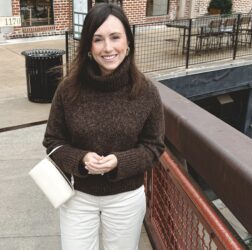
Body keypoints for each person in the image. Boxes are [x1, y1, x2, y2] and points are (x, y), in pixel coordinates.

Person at [43, 3, 165, 250]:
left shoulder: (146, 92)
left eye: (115, 37)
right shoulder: (68, 90)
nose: (108, 48)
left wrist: (120, 161)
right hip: (77, 196)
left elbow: (154, 147)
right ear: (88, 46)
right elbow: (52, 142)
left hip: (126, 198)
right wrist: (81, 159)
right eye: (98, 39)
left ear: (128, 42)